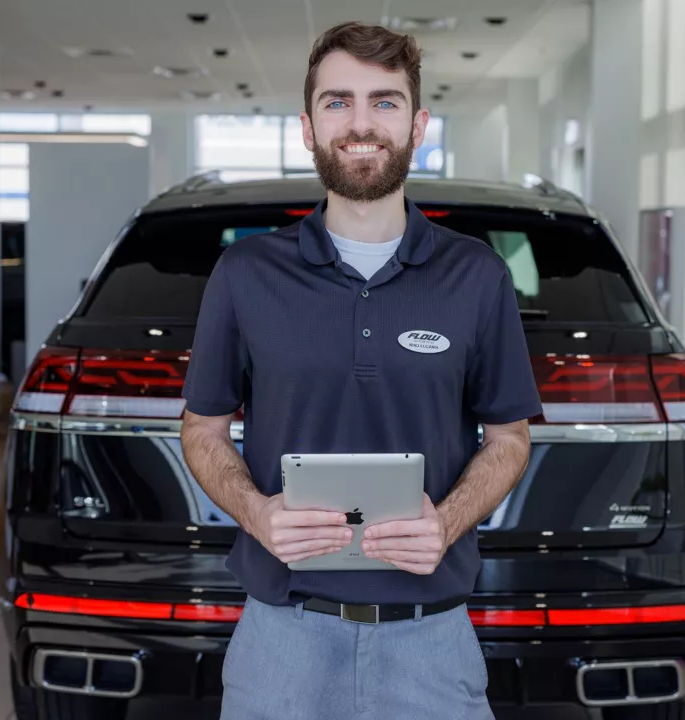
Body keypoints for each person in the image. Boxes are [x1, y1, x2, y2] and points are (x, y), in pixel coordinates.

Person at [179, 21, 541, 720]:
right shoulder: (246, 273)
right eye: (338, 102)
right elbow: (202, 429)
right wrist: (257, 514)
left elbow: (509, 439)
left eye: (385, 101)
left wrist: (447, 520)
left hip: (432, 644)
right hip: (281, 640)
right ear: (309, 127)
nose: (362, 123)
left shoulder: (477, 275)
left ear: (418, 123)